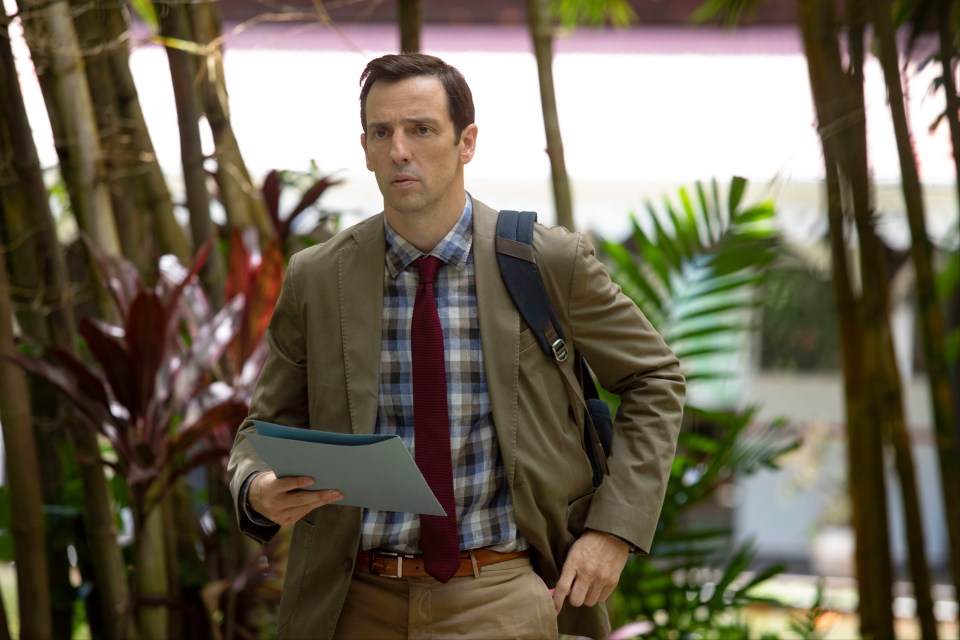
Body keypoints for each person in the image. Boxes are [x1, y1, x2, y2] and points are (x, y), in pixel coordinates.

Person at [228, 53, 684, 640]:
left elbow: (655, 378)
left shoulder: (546, 261)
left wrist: (613, 530)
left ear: (466, 142)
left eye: (421, 129)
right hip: (351, 601)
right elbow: (261, 430)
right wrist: (256, 488)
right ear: (364, 148)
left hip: (502, 592)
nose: (399, 150)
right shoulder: (318, 278)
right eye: (381, 132)